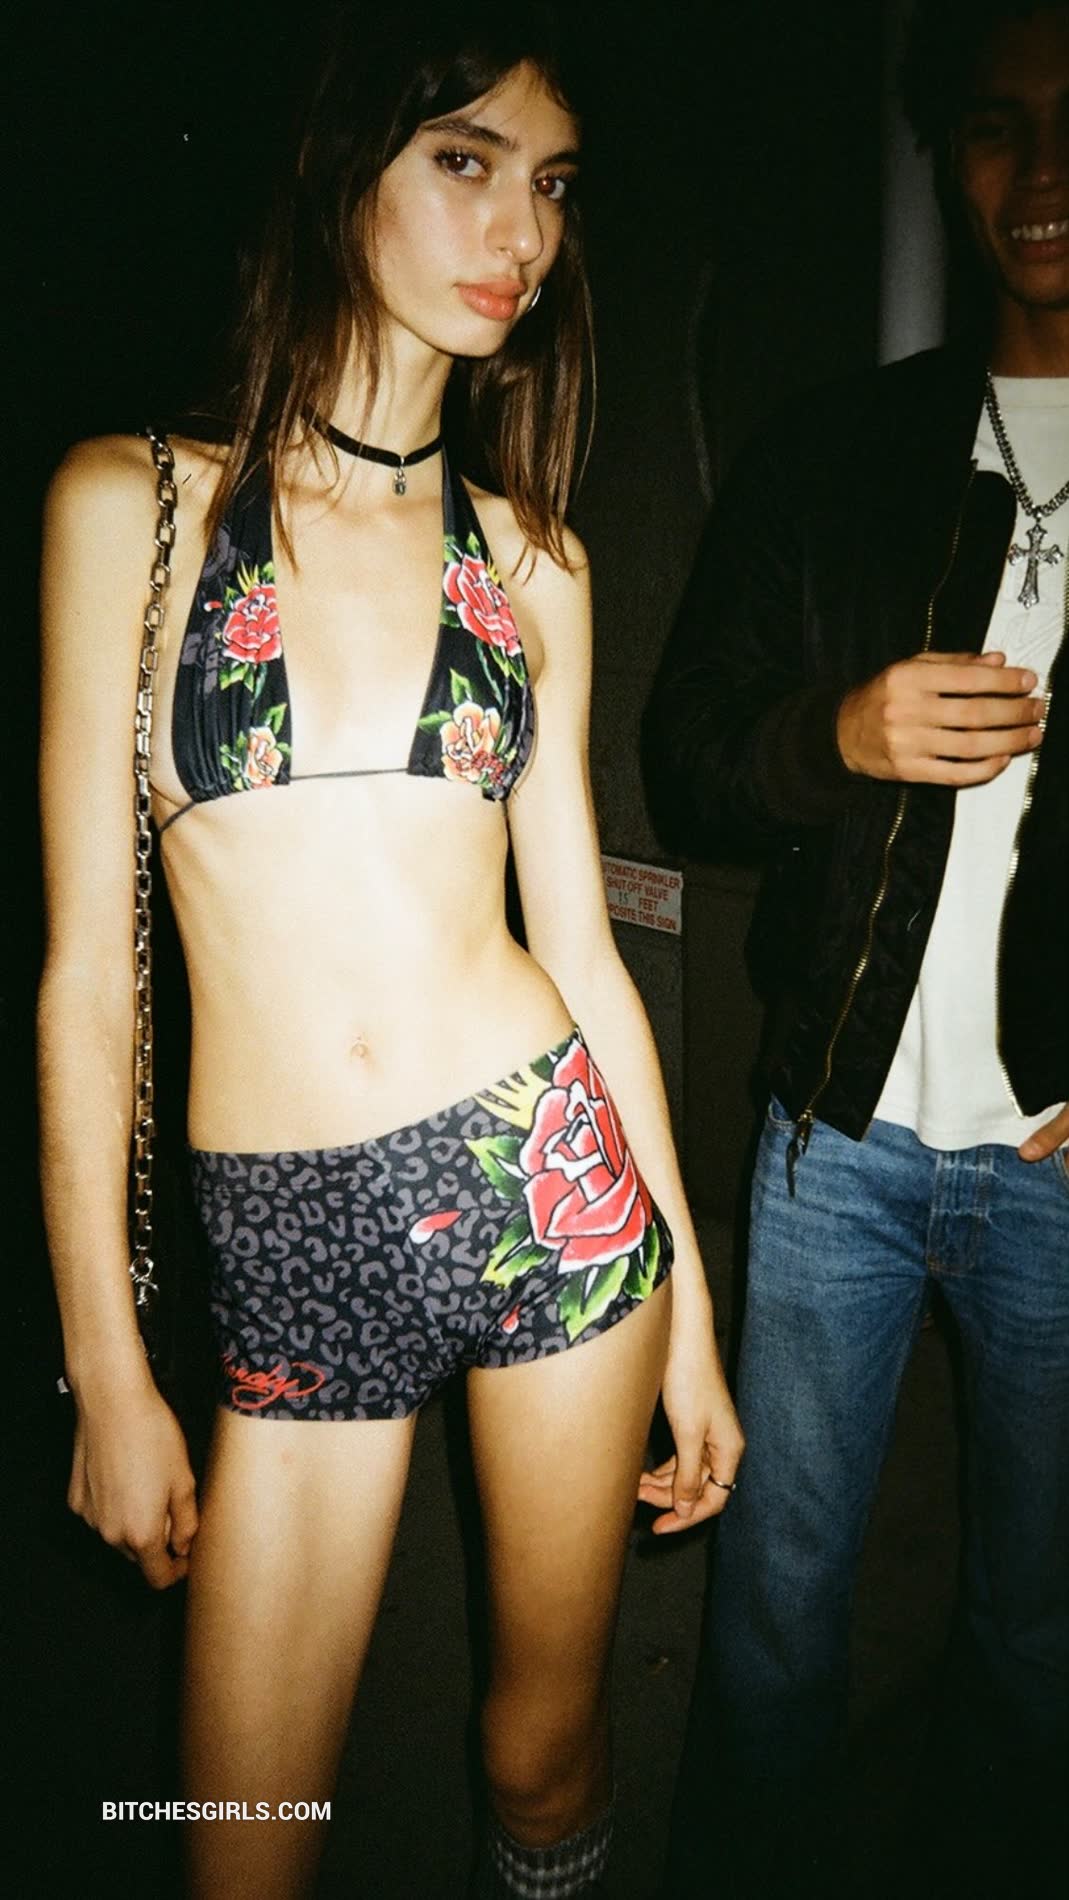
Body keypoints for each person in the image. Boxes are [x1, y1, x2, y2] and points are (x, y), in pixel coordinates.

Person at [36, 8, 743, 1897]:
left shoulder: (533, 561)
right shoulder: (135, 505)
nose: (522, 230)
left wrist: (688, 1316)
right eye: (464, 161)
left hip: (545, 1184)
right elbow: (89, 979)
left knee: (539, 1751)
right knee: (240, 1837)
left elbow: (578, 946)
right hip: (289, 1250)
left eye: (552, 185)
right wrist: (106, 1365)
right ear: (343, 165)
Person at [643, 2, 1068, 1894]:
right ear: (946, 157)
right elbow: (685, 759)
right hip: (834, 1141)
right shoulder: (837, 451)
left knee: (1039, 1631)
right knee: (775, 1611)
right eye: (993, 125)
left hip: (1059, 1172)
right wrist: (835, 733)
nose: (1040, 172)